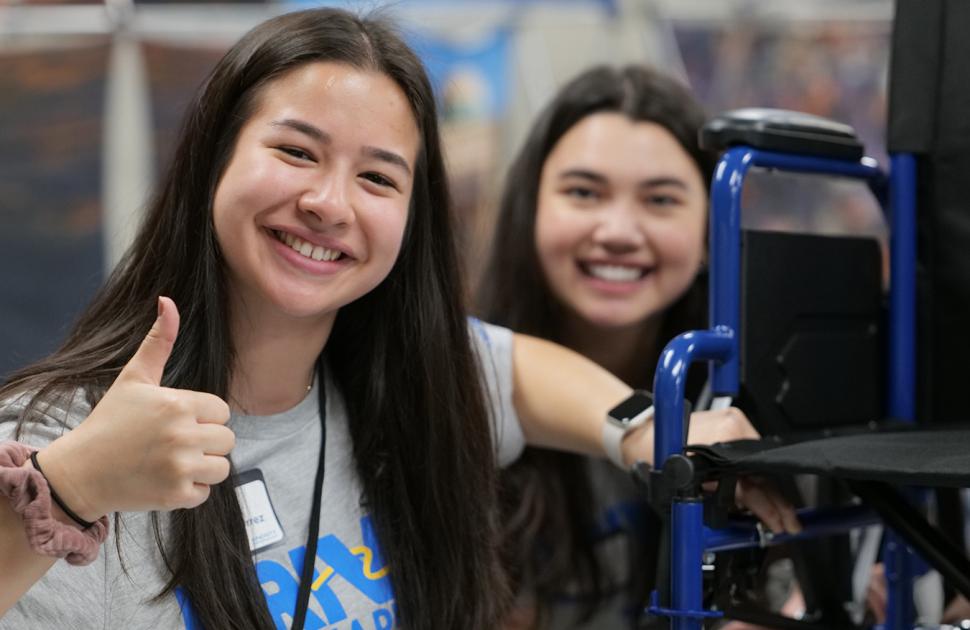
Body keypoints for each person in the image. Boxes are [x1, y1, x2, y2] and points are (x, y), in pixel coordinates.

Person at [0, 12, 793, 630]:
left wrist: (643, 427)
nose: (330, 204)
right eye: (298, 152)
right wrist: (72, 489)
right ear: (213, 158)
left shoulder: (400, 383)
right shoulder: (62, 433)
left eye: (378, 177)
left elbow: (510, 369)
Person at [479, 64, 801, 628]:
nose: (619, 231)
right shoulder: (458, 384)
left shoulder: (753, 399)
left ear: (711, 233)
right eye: (583, 192)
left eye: (660, 200)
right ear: (530, 208)